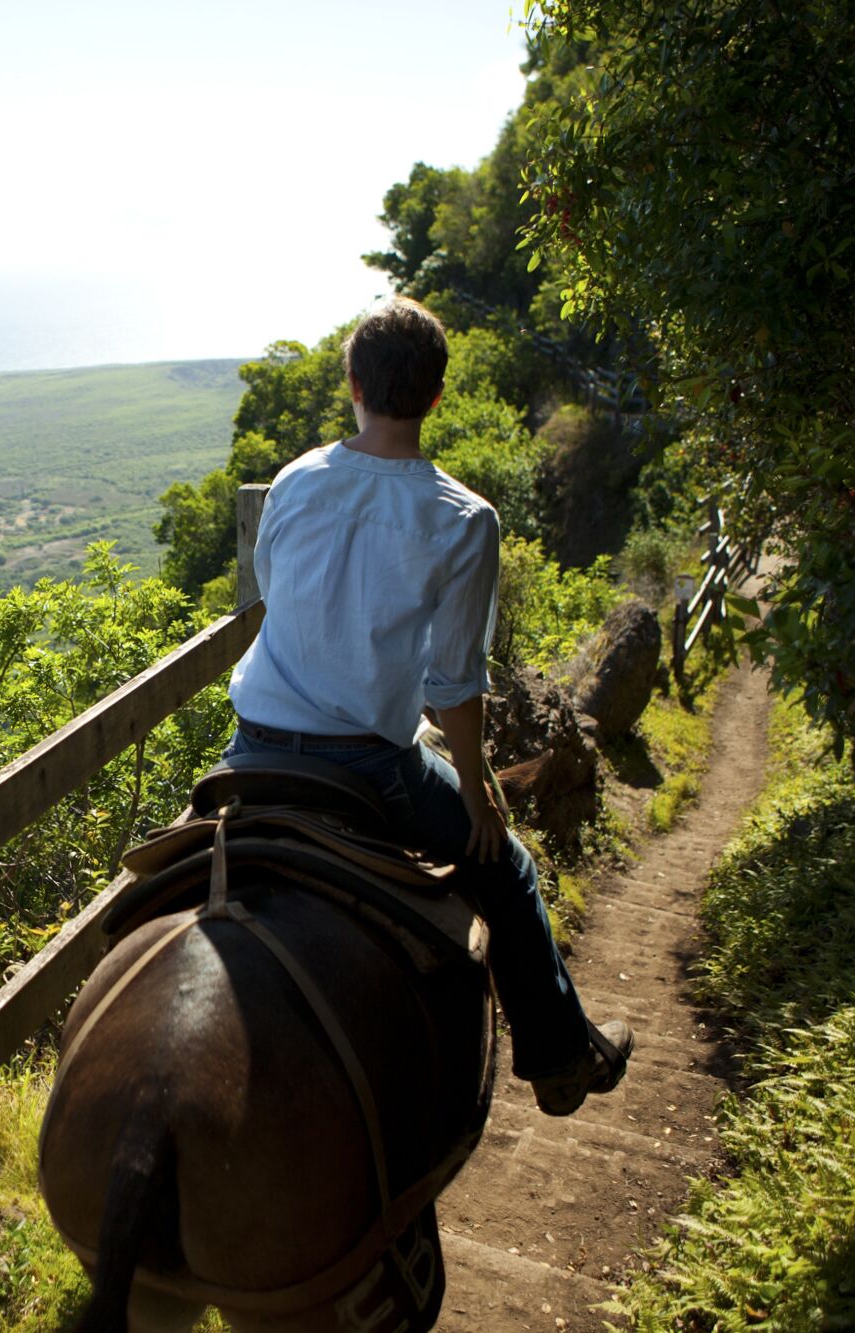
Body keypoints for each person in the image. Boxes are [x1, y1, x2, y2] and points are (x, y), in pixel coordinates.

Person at [225, 295, 631, 1116]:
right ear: (438, 395)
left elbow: (275, 595)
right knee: (509, 870)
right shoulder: (463, 519)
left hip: (252, 746)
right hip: (371, 768)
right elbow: (452, 681)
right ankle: (557, 1056)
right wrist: (481, 797)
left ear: (353, 384)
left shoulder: (296, 482)